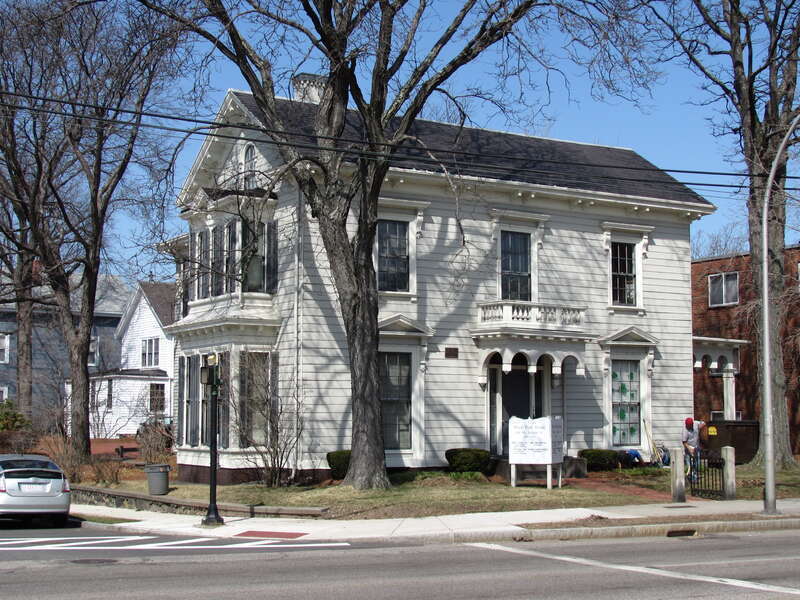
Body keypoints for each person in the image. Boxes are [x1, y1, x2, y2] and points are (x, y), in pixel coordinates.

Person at [682, 417, 705, 482]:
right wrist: (689, 449)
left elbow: (703, 423)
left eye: (690, 425)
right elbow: (684, 442)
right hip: (688, 447)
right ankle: (690, 477)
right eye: (688, 426)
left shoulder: (695, 423)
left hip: (696, 447)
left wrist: (701, 425)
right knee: (690, 464)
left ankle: (694, 475)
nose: (689, 427)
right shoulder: (685, 430)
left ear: (692, 424)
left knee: (696, 463)